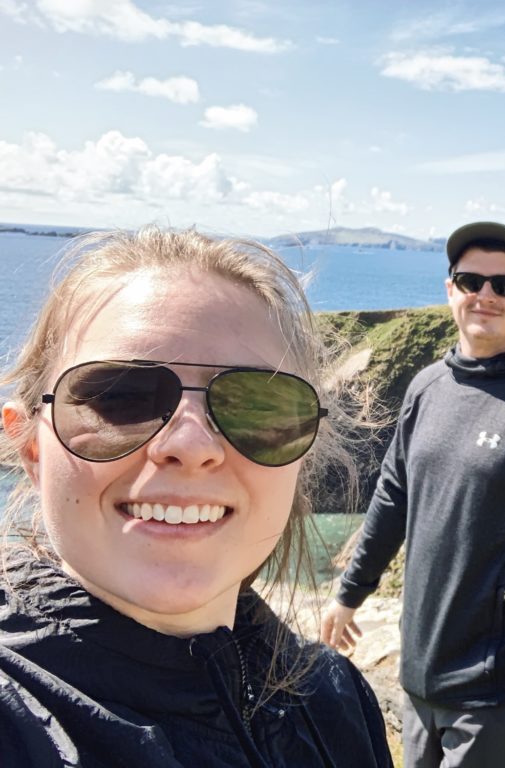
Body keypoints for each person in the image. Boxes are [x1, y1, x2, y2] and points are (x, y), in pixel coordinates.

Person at [0, 227, 393, 767]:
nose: (190, 445)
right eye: (121, 398)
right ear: (31, 446)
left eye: (256, 405)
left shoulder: (337, 698)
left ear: (302, 454)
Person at [320, 222, 505, 768]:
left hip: (500, 691)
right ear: (450, 289)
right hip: (421, 678)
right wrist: (350, 592)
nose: (486, 295)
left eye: (504, 285)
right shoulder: (428, 386)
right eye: (470, 280)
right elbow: (392, 497)